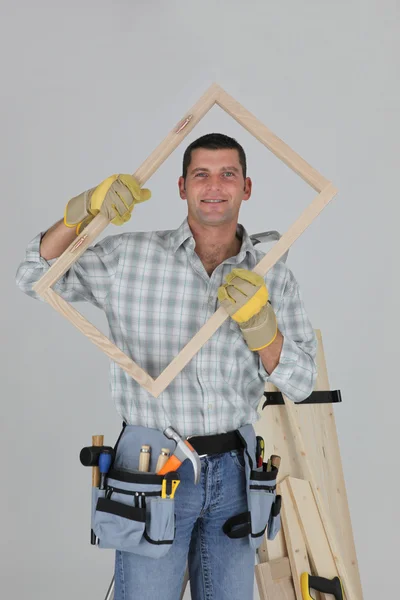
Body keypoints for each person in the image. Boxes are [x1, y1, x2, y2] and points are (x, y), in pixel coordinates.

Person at [16, 133, 317, 600]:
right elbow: (33, 275)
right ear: (181, 187)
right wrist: (83, 213)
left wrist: (264, 331)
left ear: (247, 187)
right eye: (201, 174)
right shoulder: (129, 257)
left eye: (227, 175)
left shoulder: (272, 272)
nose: (214, 186)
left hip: (236, 472)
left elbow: (301, 383)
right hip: (150, 467)